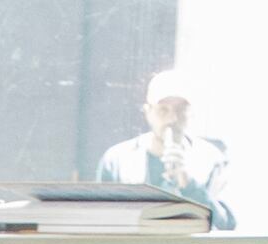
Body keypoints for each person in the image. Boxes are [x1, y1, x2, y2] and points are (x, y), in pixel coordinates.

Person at [95, 70, 231, 220]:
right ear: (148, 112)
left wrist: (190, 185)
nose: (172, 118)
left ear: (191, 113)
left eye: (181, 110)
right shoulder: (117, 160)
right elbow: (102, 218)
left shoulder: (212, 160)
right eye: (163, 110)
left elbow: (226, 224)